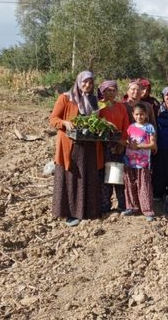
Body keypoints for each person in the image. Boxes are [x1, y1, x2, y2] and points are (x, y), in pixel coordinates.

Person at [49, 71, 103, 226]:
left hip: (89, 147)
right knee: (71, 178)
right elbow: (53, 119)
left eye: (90, 83)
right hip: (71, 146)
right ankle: (70, 213)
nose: (87, 85)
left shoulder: (94, 101)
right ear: (78, 82)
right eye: (85, 82)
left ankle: (87, 211)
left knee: (87, 177)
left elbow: (98, 119)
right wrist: (65, 123)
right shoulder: (65, 98)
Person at [98, 80, 130, 213]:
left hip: (117, 144)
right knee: (104, 176)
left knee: (117, 175)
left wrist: (121, 144)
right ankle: (105, 204)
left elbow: (126, 126)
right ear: (102, 91)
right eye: (107, 90)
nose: (111, 93)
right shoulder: (99, 106)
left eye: (113, 90)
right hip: (102, 144)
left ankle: (122, 204)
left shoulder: (121, 107)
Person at [122, 103, 157, 221]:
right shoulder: (130, 127)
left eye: (142, 114)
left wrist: (139, 146)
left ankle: (147, 210)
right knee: (130, 184)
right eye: (137, 114)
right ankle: (132, 207)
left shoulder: (149, 127)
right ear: (133, 115)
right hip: (129, 160)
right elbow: (127, 141)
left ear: (146, 115)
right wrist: (126, 143)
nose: (139, 117)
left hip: (143, 162)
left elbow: (153, 144)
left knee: (144, 184)